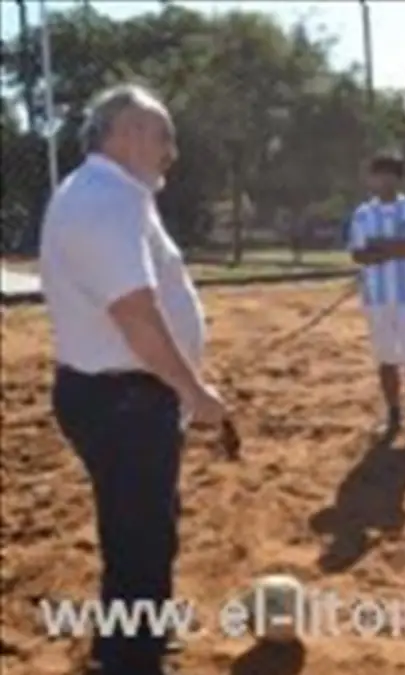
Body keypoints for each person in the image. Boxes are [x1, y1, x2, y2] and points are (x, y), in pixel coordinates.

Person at [40, 83, 228, 675]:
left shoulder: (112, 194)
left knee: (141, 531)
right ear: (124, 134)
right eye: (163, 134)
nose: (172, 149)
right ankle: (130, 660)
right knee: (141, 539)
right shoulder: (106, 201)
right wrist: (194, 391)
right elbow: (137, 316)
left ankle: (130, 642)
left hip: (124, 396)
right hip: (123, 400)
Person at [346, 151, 405, 439]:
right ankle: (394, 417)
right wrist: (395, 247)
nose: (385, 181)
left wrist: (380, 248)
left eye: (391, 175)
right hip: (377, 298)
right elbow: (359, 253)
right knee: (386, 361)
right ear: (371, 179)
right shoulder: (363, 213)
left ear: (400, 179)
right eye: (379, 175)